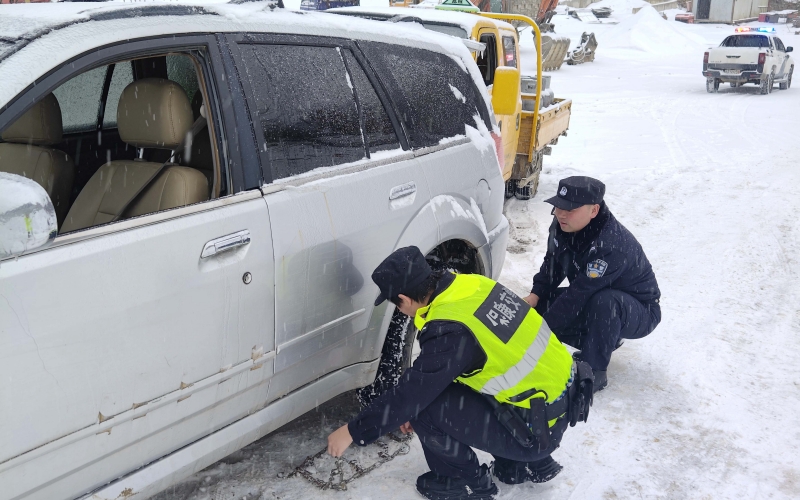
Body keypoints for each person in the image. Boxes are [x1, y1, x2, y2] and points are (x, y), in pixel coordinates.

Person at [327, 246, 594, 500]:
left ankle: (464, 481)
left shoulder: (450, 329)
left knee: (422, 406)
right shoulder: (471, 285)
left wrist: (352, 431)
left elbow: (410, 395)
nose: (401, 311)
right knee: (440, 385)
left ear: (405, 300)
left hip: (537, 428)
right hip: (556, 406)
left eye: (397, 305)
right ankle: (519, 464)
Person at [523, 176, 661, 391]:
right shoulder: (564, 224)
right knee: (539, 308)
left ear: (594, 210)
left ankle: (593, 371)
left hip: (638, 311)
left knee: (604, 303)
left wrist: (539, 335)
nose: (560, 214)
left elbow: (578, 295)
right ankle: (603, 339)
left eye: (570, 209)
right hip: (595, 297)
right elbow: (553, 264)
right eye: (558, 206)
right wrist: (535, 296)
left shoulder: (611, 244)